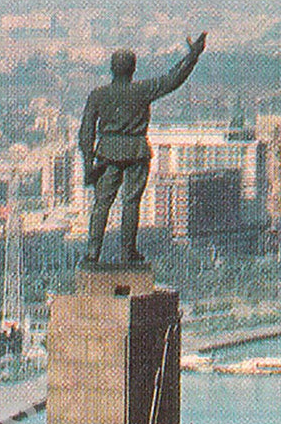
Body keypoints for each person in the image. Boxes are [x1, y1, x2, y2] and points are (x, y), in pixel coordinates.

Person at [79, 32, 207, 264]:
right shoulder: (142, 90)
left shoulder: (99, 95)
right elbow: (172, 79)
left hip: (108, 153)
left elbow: (86, 130)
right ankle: (128, 252)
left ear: (112, 69)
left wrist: (88, 164)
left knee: (102, 204)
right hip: (136, 151)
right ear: (133, 69)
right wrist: (192, 57)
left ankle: (92, 252)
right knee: (131, 203)